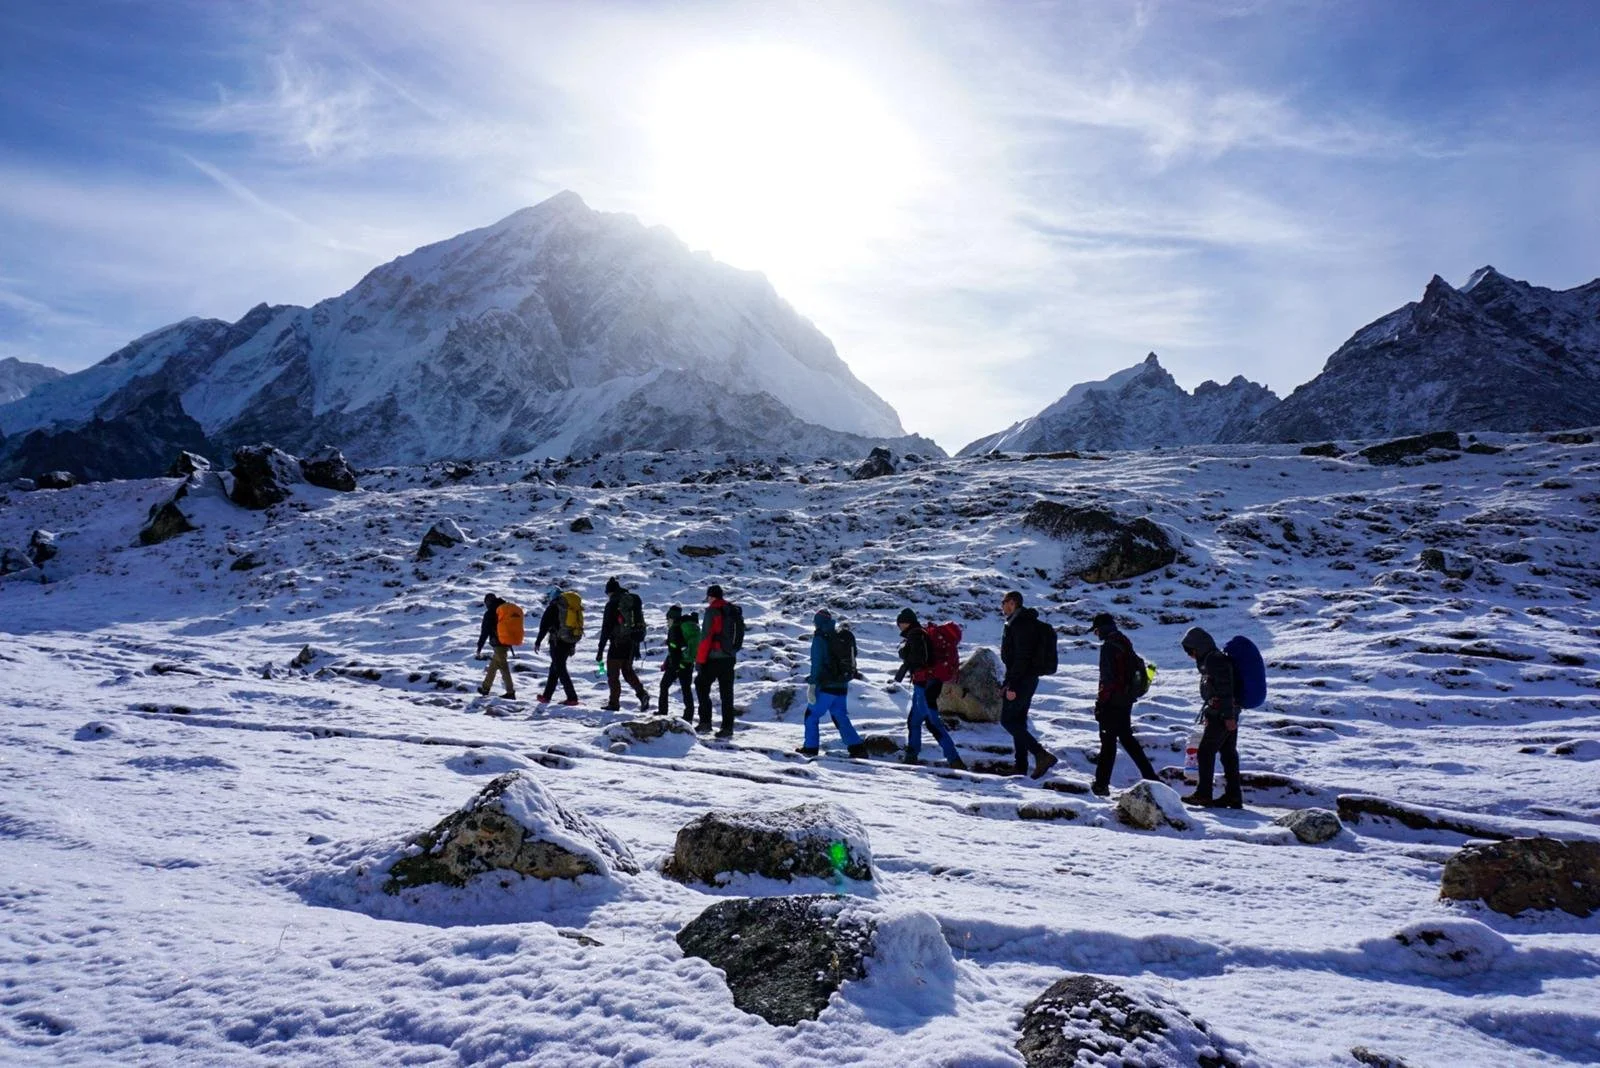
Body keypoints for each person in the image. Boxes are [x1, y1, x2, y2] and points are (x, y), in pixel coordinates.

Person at [1089, 612, 1158, 796]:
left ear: (1102, 628)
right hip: (1126, 699)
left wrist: (1101, 703)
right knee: (1127, 739)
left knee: (1108, 742)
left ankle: (1101, 785)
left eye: (1096, 630)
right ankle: (1152, 779)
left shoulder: (1109, 647)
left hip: (1112, 702)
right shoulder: (1124, 642)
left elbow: (1107, 679)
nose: (1096, 634)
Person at [1179, 627, 1243, 808]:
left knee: (1205, 752)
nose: (1189, 655)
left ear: (1197, 647)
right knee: (1228, 754)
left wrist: (1228, 716)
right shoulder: (1213, 658)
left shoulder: (1214, 660)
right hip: (1225, 712)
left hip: (1222, 714)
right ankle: (1233, 796)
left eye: (1189, 650)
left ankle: (1204, 794)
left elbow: (1225, 688)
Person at [895, 608, 966, 769]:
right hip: (928, 682)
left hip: (925, 684)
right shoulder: (921, 633)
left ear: (905, 622)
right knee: (914, 721)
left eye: (900, 623)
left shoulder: (915, 635)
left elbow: (919, 660)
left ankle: (955, 760)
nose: (899, 627)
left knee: (933, 723)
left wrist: (904, 653)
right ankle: (911, 756)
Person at [999, 591, 1058, 778]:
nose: (1002, 606)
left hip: (1021, 679)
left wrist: (1012, 685)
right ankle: (1020, 766)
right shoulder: (1023, 623)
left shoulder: (1021, 625)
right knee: (1018, 721)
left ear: (1013, 603)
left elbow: (1021, 658)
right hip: (1028, 678)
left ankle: (1041, 755)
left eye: (1004, 602)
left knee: (1008, 720)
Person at [802, 609, 869, 758]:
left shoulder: (820, 638)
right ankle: (856, 747)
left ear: (818, 622)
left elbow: (817, 663)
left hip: (826, 686)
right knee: (839, 716)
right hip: (842, 685)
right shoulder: (840, 636)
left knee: (811, 716)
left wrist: (812, 685)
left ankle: (810, 748)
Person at [596, 577, 650, 714]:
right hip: (632, 643)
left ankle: (614, 704)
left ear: (610, 592)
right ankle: (642, 694)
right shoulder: (631, 601)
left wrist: (600, 650)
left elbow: (606, 628)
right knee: (627, 671)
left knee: (613, 675)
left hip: (617, 643)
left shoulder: (612, 604)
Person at [694, 584, 739, 738]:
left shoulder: (712, 611)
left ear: (712, 596)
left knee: (701, 685)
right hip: (729, 657)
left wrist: (699, 661)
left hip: (714, 658)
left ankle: (705, 722)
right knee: (727, 694)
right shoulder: (731, 610)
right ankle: (727, 728)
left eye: (708, 597)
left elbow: (706, 637)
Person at [533, 586, 581, 706]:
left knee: (560, 669)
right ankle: (546, 696)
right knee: (554, 668)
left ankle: (572, 697)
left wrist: (538, 641)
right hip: (568, 641)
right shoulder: (570, 608)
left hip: (557, 642)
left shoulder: (553, 608)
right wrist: (572, 644)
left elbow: (544, 626)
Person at [659, 605, 699, 721]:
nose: (667, 622)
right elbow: (675, 649)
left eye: (668, 619)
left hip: (677, 664)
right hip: (688, 662)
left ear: (671, 618)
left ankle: (663, 712)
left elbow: (674, 649)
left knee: (664, 685)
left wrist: (674, 666)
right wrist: (667, 662)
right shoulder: (684, 626)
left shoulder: (674, 629)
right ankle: (688, 716)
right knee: (686, 689)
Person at [475, 593, 515, 699]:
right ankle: (485, 688)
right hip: (506, 642)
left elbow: (485, 632)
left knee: (504, 668)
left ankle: (510, 693)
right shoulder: (504, 609)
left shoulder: (490, 613)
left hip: (498, 644)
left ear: (488, 602)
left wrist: (479, 647)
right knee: (493, 666)